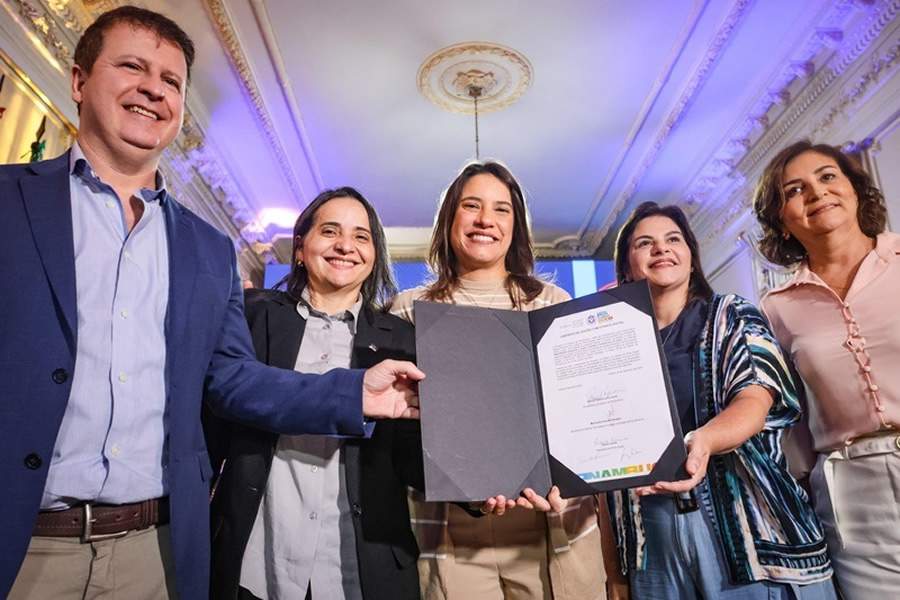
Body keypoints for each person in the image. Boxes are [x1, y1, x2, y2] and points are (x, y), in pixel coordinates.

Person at [0, 7, 421, 599]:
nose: (153, 87)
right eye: (131, 66)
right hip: (24, 546)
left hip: (157, 552)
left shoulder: (208, 248)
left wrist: (355, 393)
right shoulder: (8, 201)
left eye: (171, 81)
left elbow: (231, 380)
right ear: (78, 81)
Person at [391, 161, 613, 600]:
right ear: (449, 219)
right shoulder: (406, 309)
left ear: (516, 226)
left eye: (501, 209)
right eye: (471, 206)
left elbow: (580, 410)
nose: (485, 220)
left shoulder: (553, 303)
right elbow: (393, 428)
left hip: (547, 520)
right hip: (448, 528)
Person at [607, 201, 836, 599]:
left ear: (692, 259)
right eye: (645, 243)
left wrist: (706, 440)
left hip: (744, 520)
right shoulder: (612, 345)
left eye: (673, 240)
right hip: (651, 534)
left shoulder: (733, 314)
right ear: (627, 267)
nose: (661, 249)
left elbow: (755, 397)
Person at [207, 187, 424, 600]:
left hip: (361, 572)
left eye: (362, 237)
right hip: (254, 568)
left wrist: (479, 495)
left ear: (374, 255)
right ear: (301, 247)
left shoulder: (403, 340)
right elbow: (217, 409)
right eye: (330, 231)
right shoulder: (251, 316)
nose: (346, 245)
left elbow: (415, 457)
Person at [754, 140, 900, 598]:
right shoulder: (776, 308)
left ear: (855, 189)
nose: (816, 192)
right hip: (849, 490)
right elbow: (788, 415)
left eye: (827, 176)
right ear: (782, 218)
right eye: (794, 190)